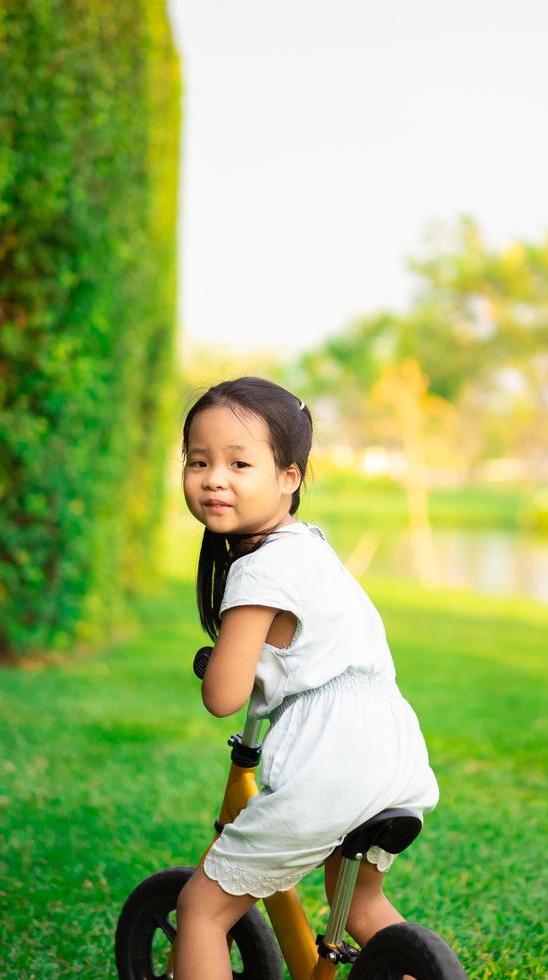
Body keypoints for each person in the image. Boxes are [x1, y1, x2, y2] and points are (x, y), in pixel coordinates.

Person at [173, 377, 440, 979]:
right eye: (198, 461)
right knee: (362, 906)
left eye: (239, 463)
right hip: (395, 754)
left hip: (333, 760)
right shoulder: (310, 548)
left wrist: (216, 665)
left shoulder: (260, 570)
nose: (215, 477)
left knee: (201, 910)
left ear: (288, 478)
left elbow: (224, 697)